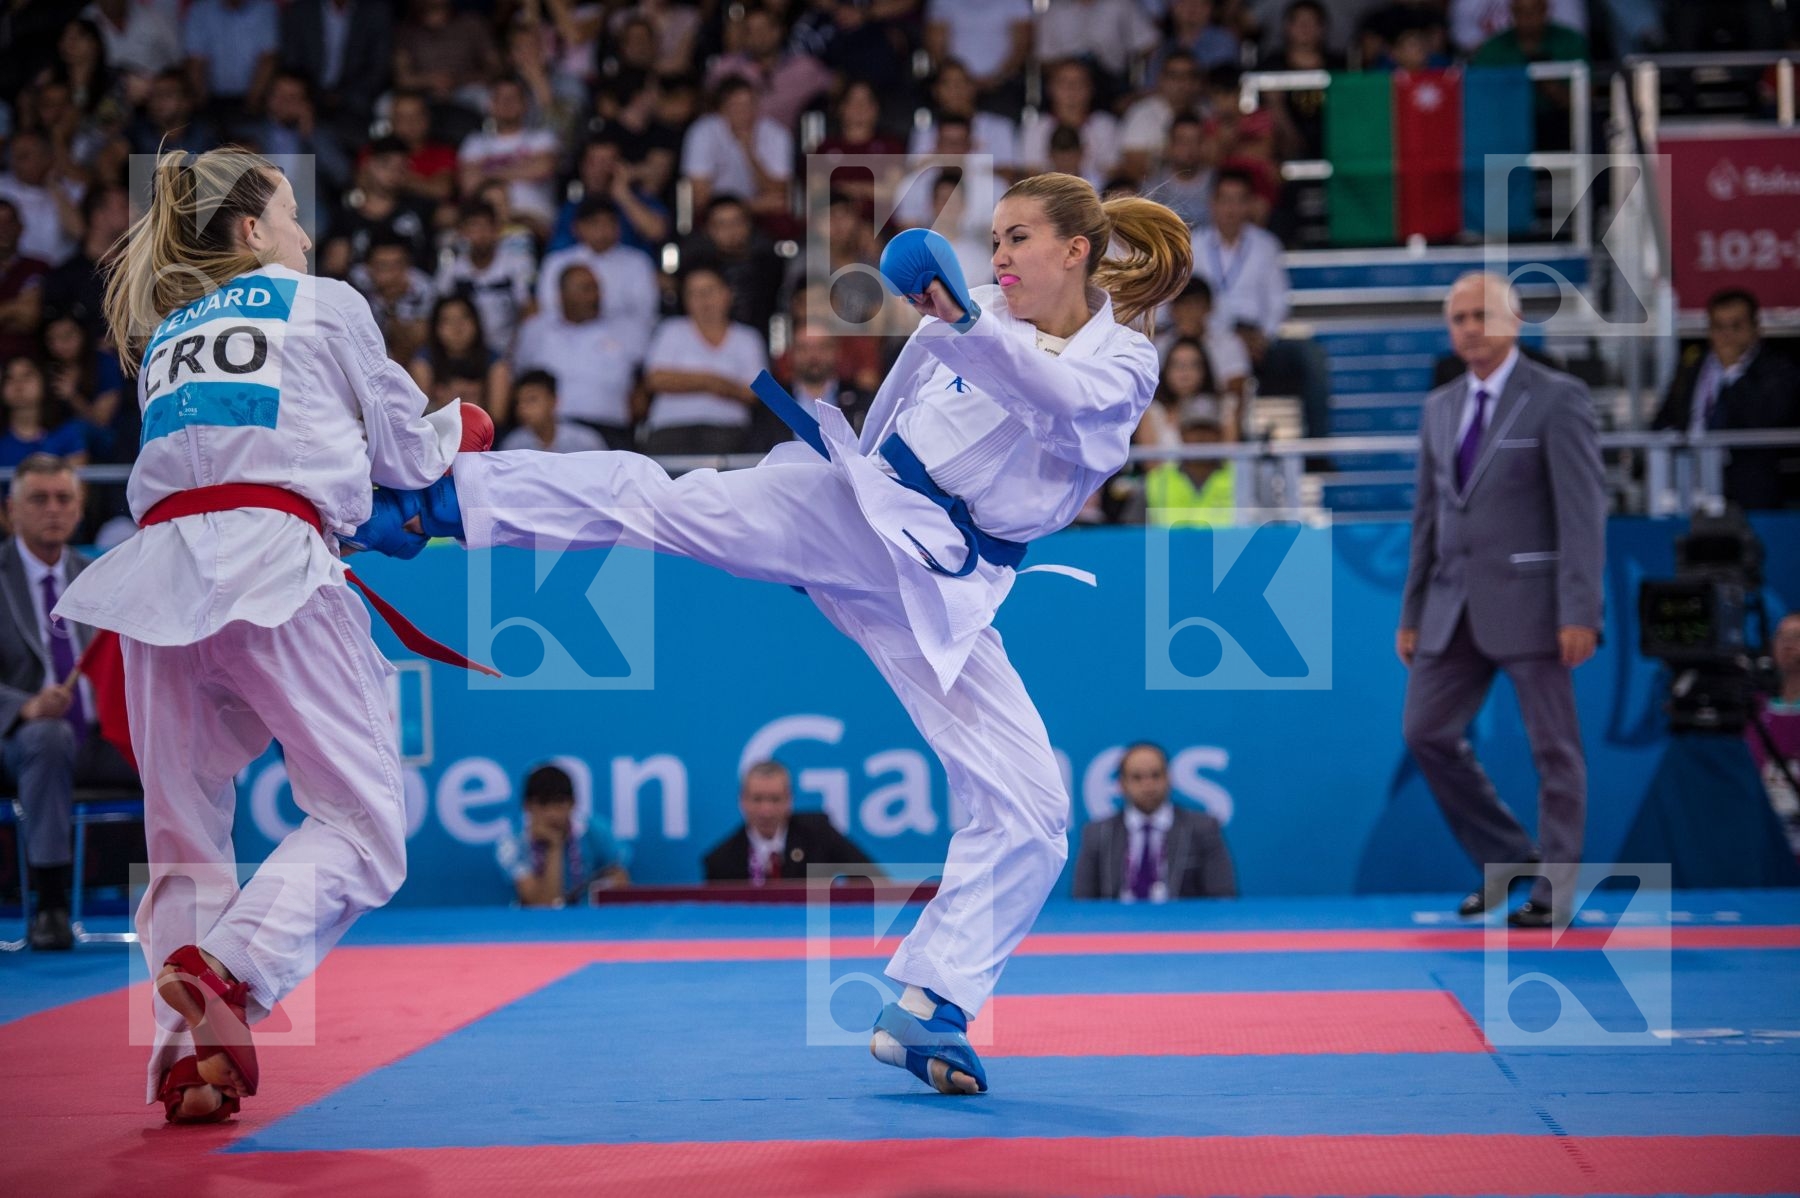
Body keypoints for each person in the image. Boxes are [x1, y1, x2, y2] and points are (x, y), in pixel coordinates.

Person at [360, 173, 1192, 1096]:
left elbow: (1055, 401)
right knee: (658, 500)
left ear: (1077, 251)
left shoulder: (1120, 362)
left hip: (944, 586)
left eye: (1018, 239)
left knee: (1034, 810)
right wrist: (844, 506)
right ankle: (442, 501)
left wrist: (964, 322)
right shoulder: (974, 313)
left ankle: (929, 1007)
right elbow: (899, 407)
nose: (997, 258)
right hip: (865, 513)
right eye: (991, 240)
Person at [54, 146, 471, 1124]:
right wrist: (471, 428)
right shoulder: (323, 301)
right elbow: (407, 455)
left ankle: (185, 1058)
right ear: (250, 233)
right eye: (291, 216)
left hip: (158, 578)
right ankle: (232, 974)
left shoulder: (167, 336)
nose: (304, 235)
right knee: (365, 824)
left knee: (186, 833)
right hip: (273, 564)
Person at [1398, 272, 1605, 929]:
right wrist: (1412, 612)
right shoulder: (1440, 406)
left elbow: (1582, 514)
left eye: (1480, 314)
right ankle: (1510, 855)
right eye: (1457, 318)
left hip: (1535, 604)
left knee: (1555, 749)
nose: (1468, 328)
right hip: (1450, 604)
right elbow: (1427, 517)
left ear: (1514, 321)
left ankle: (1558, 890)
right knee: (1425, 733)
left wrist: (1580, 610)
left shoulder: (1558, 398)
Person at [0, 455, 140, 950]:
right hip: (19, 742)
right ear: (9, 513)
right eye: (39, 499)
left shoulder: (99, 577)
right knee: (47, 734)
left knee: (190, 746)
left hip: (100, 735)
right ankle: (51, 905)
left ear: (80, 510)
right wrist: (22, 706)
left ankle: (199, 904)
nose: (53, 510)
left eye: (64, 499)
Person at [1652, 288, 1800, 511]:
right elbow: (1665, 418)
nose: (1726, 336)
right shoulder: (1692, 365)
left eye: (1736, 326)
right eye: (1718, 327)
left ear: (1755, 328)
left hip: (1751, 490)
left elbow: (1764, 419)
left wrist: (1732, 371)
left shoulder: (1779, 369)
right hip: (1691, 481)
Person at [1072, 742, 1236, 900]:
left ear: (1169, 778)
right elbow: (1082, 901)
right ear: (1121, 784)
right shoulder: (1098, 833)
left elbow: (1222, 897)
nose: (1148, 784)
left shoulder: (1203, 828)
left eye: (1156, 775)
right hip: (1117, 924)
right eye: (1137, 777)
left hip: (1181, 924)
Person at [512, 264, 644, 448]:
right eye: (586, 289)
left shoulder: (626, 330)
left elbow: (642, 381)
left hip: (610, 429)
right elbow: (521, 375)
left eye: (597, 288)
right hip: (549, 431)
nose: (596, 296)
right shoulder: (536, 330)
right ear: (561, 295)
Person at [701, 761, 876, 883]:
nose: (766, 810)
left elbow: (874, 880)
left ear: (789, 800)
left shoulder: (818, 835)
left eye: (775, 799)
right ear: (742, 801)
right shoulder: (720, 861)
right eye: (757, 799)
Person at [497, 763, 629, 905]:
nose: (551, 813)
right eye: (543, 803)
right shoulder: (512, 844)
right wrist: (554, 847)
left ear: (573, 803)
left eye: (559, 802)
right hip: (535, 924)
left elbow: (620, 879)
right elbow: (545, 904)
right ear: (526, 806)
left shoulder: (597, 831)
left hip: (591, 921)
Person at [1748, 612, 1800, 855]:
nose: (1789, 644)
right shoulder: (1752, 710)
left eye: (1797, 636)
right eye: (1782, 636)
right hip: (1764, 841)